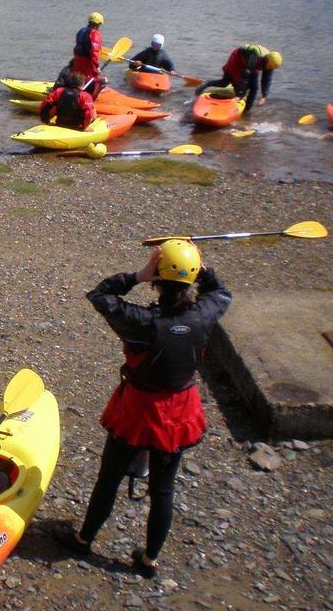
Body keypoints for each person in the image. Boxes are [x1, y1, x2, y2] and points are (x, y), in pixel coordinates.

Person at [56, 241, 232, 579]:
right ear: (193, 279)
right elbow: (220, 291)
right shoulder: (205, 313)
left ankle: (83, 539)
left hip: (138, 411)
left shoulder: (141, 321)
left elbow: (99, 296)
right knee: (164, 489)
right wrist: (199, 267)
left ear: (156, 280)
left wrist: (137, 275)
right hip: (179, 412)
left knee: (108, 479)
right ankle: (150, 560)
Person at [194, 43, 282, 112]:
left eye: (271, 68)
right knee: (225, 82)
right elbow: (245, 76)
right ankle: (206, 83)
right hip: (237, 58)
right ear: (267, 59)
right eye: (268, 66)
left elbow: (266, 79)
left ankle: (247, 111)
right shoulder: (255, 57)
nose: (268, 69)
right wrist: (240, 95)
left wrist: (264, 96)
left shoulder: (271, 63)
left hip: (251, 66)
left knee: (254, 88)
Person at [73, 12, 106, 97]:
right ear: (99, 23)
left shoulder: (81, 30)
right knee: (91, 79)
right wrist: (97, 66)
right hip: (87, 61)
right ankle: (86, 98)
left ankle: (75, 93)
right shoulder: (95, 33)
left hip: (77, 59)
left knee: (78, 79)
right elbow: (94, 52)